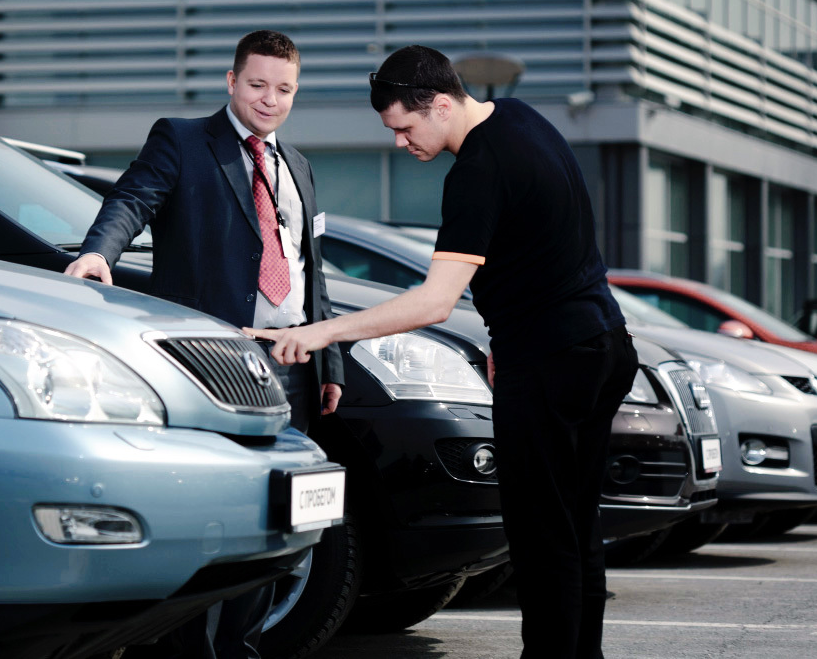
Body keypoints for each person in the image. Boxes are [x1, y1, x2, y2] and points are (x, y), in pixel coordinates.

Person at [247, 45, 634, 659]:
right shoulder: (522, 119)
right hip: (603, 347)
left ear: (442, 105)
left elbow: (433, 303)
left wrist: (321, 332)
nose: (401, 143)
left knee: (541, 537)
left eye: (405, 128)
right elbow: (548, 244)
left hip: (551, 363)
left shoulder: (476, 171)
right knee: (576, 523)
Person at [64, 29, 345, 659]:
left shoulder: (299, 166)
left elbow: (310, 271)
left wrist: (330, 360)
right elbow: (132, 198)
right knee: (209, 518)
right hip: (213, 364)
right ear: (231, 80)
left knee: (277, 522)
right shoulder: (184, 140)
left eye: (284, 89)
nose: (270, 100)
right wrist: (99, 253)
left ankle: (241, 648)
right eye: (257, 85)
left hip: (290, 365)